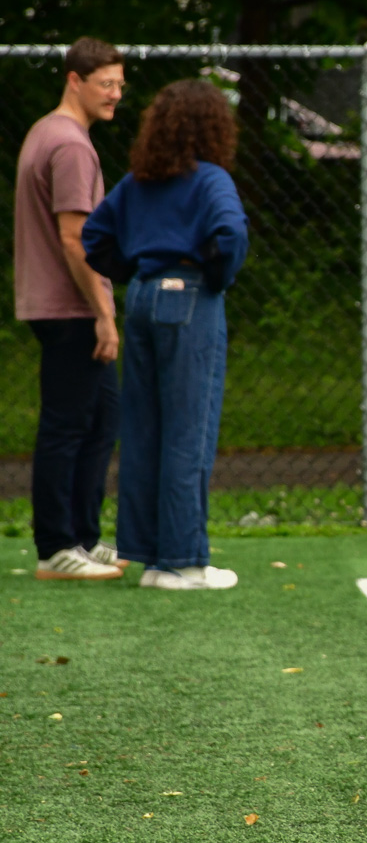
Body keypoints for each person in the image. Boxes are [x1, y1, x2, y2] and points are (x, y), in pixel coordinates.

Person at [82, 80, 248, 590]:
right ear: (214, 127)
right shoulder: (211, 179)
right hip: (190, 298)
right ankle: (183, 562)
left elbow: (95, 237)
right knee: (188, 434)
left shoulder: (136, 182)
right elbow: (231, 235)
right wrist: (213, 279)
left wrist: (137, 271)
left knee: (146, 431)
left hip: (145, 299)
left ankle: (152, 559)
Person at [14, 37, 126, 581]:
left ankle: (83, 537)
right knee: (66, 425)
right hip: (69, 308)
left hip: (63, 305)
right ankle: (55, 547)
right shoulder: (71, 145)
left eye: (121, 84)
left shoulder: (46, 131)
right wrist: (103, 311)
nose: (116, 95)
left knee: (103, 418)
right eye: (106, 83)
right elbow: (74, 236)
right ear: (74, 80)